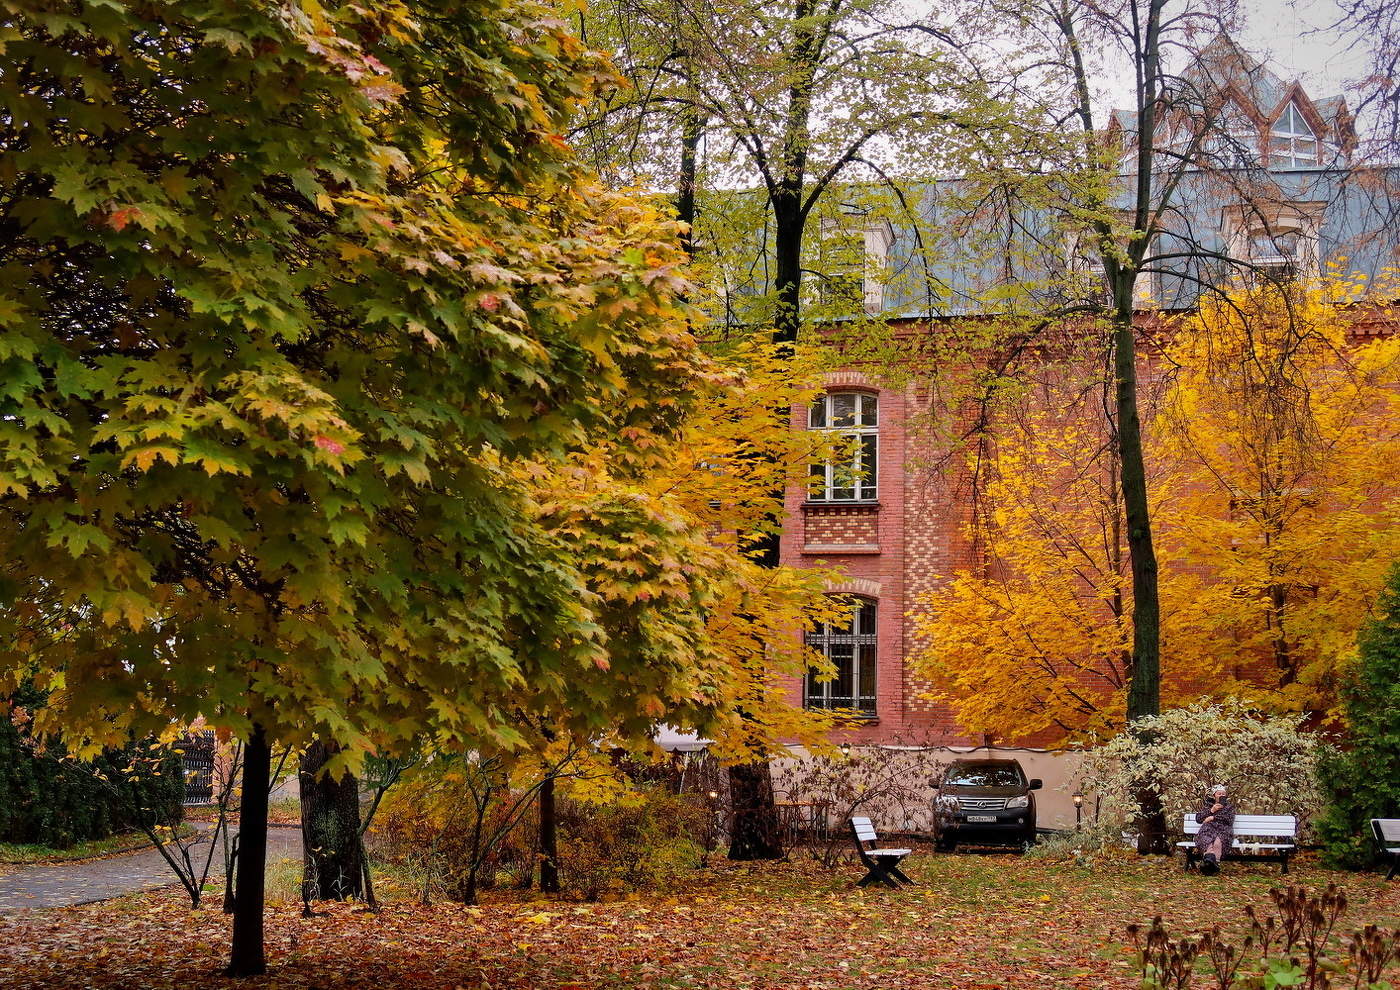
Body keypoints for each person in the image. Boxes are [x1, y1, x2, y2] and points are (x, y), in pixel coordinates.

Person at [1194, 784, 1235, 875]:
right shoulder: (1208, 806)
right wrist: (1212, 810)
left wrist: (1213, 817)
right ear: (1214, 795)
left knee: (1217, 843)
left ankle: (1209, 865)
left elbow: (1229, 819)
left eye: (1223, 794)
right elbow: (1198, 819)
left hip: (1223, 830)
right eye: (1219, 794)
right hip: (1208, 830)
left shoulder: (1229, 807)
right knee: (1207, 841)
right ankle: (1211, 866)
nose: (1221, 795)